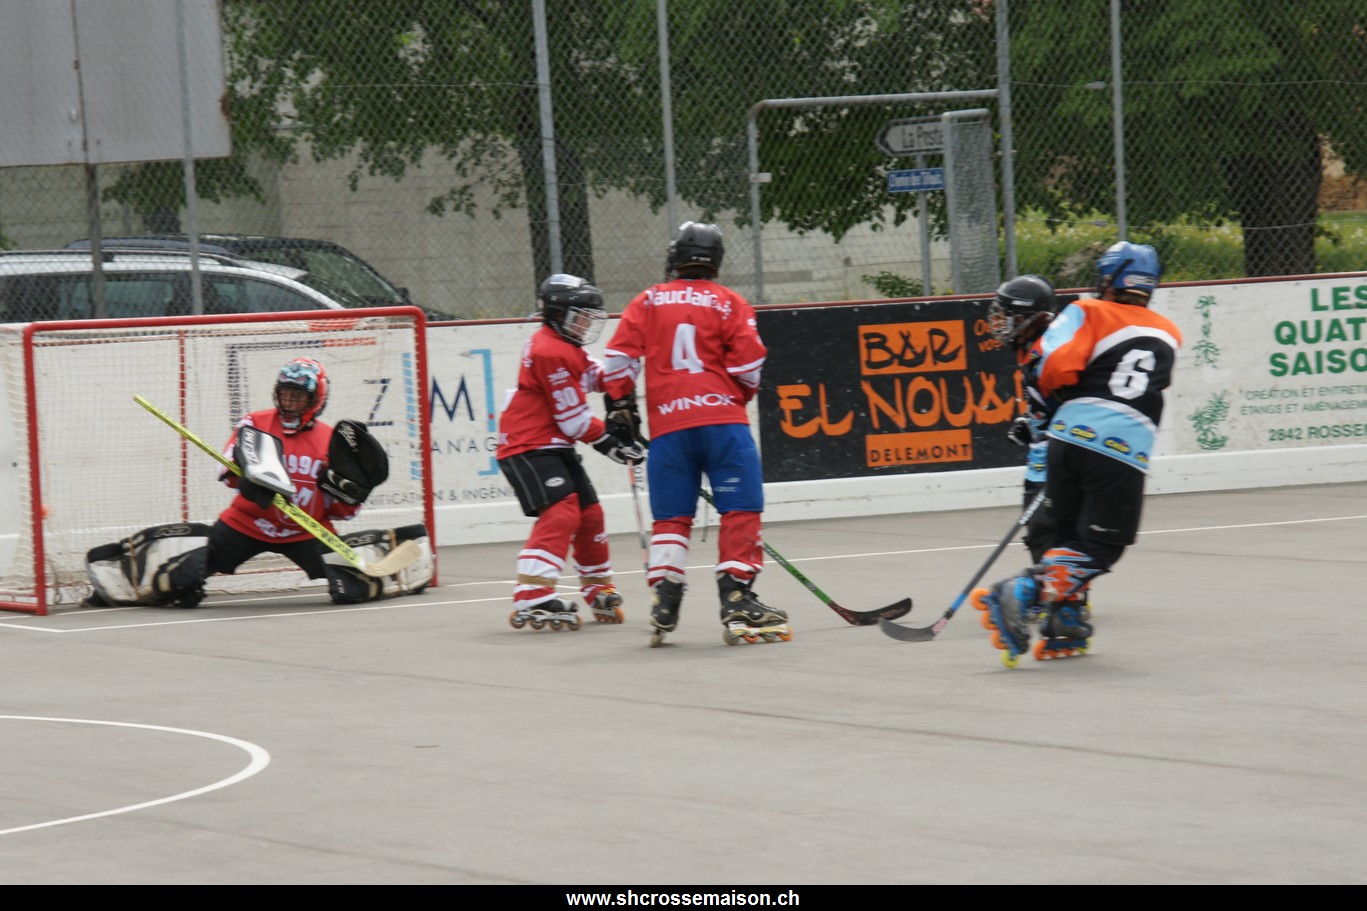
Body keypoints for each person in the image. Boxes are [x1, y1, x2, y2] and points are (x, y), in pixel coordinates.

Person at [971, 242, 1182, 665]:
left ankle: (1064, 621)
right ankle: (1023, 591)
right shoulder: (1170, 332)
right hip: (1120, 446)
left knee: (1066, 538)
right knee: (1102, 546)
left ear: (1108, 280)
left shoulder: (1086, 310)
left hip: (1065, 441)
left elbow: (1054, 368)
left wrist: (1053, 406)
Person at [84, 356, 428, 608]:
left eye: (298, 397)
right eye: (285, 394)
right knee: (183, 577)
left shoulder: (330, 443)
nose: (289, 403)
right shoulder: (255, 423)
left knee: (350, 589)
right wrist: (245, 477)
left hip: (306, 529)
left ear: (316, 400)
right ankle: (116, 585)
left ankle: (408, 569)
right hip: (246, 523)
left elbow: (343, 511)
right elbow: (227, 469)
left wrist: (349, 495)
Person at [602, 221, 786, 645]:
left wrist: (622, 407)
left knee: (671, 517)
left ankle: (666, 595)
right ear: (716, 261)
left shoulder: (648, 300)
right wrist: (734, 396)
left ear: (675, 259)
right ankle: (737, 595)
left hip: (670, 430)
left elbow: (618, 360)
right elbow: (748, 367)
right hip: (724, 425)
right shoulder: (731, 303)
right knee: (740, 508)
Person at [496, 274, 645, 631]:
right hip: (527, 445)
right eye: (580, 317)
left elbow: (598, 377)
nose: (586, 325)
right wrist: (613, 444)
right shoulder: (549, 350)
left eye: (589, 318)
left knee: (590, 514)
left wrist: (628, 371)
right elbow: (573, 419)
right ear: (557, 314)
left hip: (552, 445)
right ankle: (532, 593)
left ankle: (597, 587)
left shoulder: (567, 345)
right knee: (561, 512)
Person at [990, 273, 1062, 565]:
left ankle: (1060, 591)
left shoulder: (1051, 355)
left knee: (1046, 536)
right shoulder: (1031, 350)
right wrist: (1031, 424)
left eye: (1009, 315)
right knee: (1042, 538)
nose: (1001, 321)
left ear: (1030, 319)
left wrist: (1054, 442)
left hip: (1054, 466)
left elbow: (1077, 406)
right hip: (1040, 463)